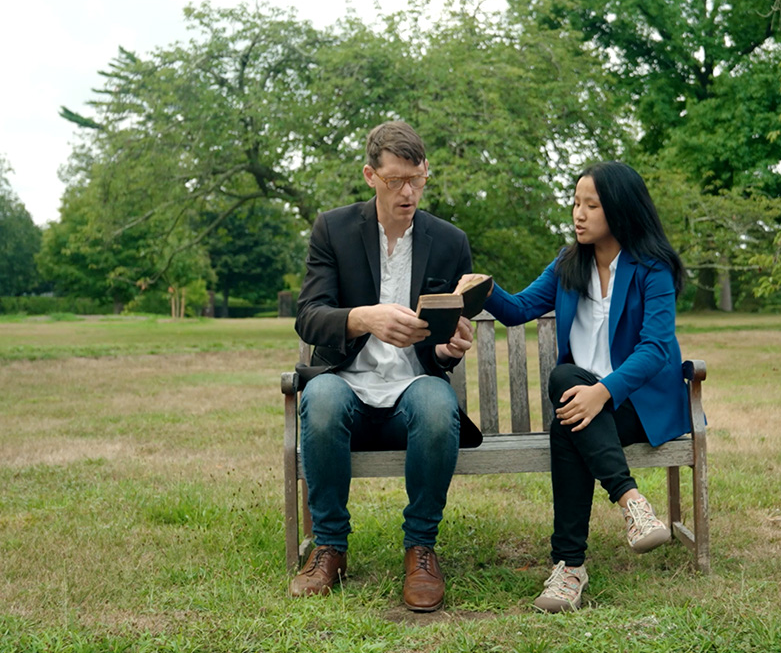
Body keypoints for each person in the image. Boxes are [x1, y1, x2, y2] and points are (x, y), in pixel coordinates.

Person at [460, 161, 689, 613]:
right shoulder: (570, 263)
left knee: (570, 408)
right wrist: (485, 289)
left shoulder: (651, 269)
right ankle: (632, 504)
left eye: (591, 205)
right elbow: (519, 308)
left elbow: (657, 348)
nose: (578, 214)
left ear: (619, 210)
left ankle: (569, 568)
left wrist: (603, 392)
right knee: (569, 395)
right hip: (585, 404)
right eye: (575, 203)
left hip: (635, 404)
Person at [290, 120, 482, 612]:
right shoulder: (333, 229)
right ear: (370, 176)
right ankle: (329, 547)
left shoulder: (449, 240)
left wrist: (450, 347)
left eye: (418, 179)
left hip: (413, 388)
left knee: (440, 405)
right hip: (347, 384)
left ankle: (421, 549)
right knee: (323, 399)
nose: (409, 191)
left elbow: (442, 343)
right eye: (396, 179)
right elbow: (309, 318)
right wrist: (364, 318)